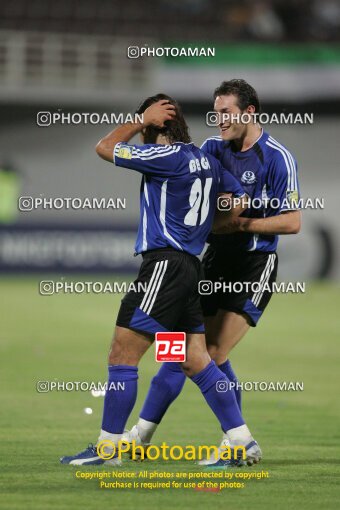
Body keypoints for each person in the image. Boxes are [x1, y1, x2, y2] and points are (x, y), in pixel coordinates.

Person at [60, 93, 261, 466]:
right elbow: (237, 200)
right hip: (189, 269)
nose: (139, 141)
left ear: (156, 127)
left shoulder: (167, 155)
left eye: (145, 131)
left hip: (164, 269)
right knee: (193, 359)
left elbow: (105, 147)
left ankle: (107, 452)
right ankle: (241, 439)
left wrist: (139, 119)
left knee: (122, 352)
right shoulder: (207, 161)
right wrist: (203, 227)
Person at [125, 80, 301, 466]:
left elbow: (292, 222)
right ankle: (141, 436)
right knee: (178, 350)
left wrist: (242, 225)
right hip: (210, 261)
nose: (219, 120)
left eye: (227, 112)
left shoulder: (276, 157)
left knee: (213, 353)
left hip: (253, 266)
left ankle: (238, 442)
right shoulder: (210, 150)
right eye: (216, 112)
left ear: (249, 111)